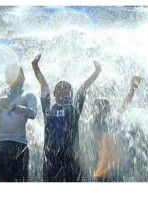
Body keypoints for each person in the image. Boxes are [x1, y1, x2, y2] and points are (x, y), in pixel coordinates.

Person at [32, 54, 101, 182]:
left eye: (67, 89)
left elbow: (83, 87)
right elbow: (44, 85)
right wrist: (35, 67)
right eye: (60, 89)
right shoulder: (48, 108)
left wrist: (96, 73)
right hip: (51, 158)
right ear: (54, 93)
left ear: (71, 94)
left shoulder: (74, 107)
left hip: (72, 158)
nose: (63, 91)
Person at [0, 65, 37, 182]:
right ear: (7, 79)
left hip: (19, 145)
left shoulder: (28, 96)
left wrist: (13, 107)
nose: (15, 77)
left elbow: (32, 114)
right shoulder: (0, 100)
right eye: (11, 75)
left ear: (23, 78)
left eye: (18, 74)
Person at [92, 76, 142, 181]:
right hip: (101, 162)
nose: (104, 109)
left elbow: (125, 103)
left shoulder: (111, 120)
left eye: (106, 107)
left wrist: (133, 88)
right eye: (101, 106)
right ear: (96, 109)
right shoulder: (93, 121)